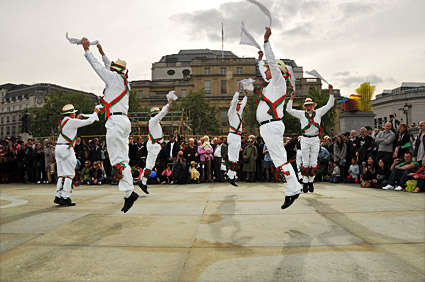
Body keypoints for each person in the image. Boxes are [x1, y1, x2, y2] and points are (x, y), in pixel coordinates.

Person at [82, 39, 138, 213]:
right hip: (123, 121)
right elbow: (107, 66)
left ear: (114, 70)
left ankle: (129, 193)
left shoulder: (113, 79)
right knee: (123, 158)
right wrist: (102, 51)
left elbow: (98, 68)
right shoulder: (122, 81)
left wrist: (87, 50)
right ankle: (129, 192)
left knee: (117, 159)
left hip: (115, 121)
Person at [254, 27, 301, 209]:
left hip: (272, 125)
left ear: (276, 71)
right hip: (268, 126)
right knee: (278, 158)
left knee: (280, 159)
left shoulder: (278, 81)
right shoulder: (270, 86)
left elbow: (272, 63)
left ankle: (292, 190)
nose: (265, 71)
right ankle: (293, 189)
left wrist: (266, 41)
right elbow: (266, 68)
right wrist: (259, 61)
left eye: (267, 69)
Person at [286, 84, 335, 193]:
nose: (309, 107)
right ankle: (305, 182)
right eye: (307, 105)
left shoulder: (319, 112)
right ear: (305, 107)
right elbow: (289, 110)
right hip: (304, 139)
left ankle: (311, 182)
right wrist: (291, 98)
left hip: (314, 139)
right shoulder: (301, 114)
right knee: (305, 162)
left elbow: (330, 104)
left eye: (310, 105)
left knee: (313, 162)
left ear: (313, 106)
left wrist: (330, 92)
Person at [54, 104, 99, 206]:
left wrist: (76, 119)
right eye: (74, 112)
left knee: (61, 173)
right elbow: (89, 121)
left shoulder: (63, 121)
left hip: (59, 147)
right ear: (71, 114)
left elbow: (72, 126)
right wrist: (95, 112)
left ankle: (59, 195)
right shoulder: (71, 121)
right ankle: (65, 197)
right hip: (66, 148)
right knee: (69, 174)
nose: (75, 114)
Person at [139, 99, 174, 193]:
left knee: (150, 164)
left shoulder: (155, 122)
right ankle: (143, 182)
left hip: (156, 145)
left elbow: (161, 114)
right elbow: (161, 114)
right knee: (149, 165)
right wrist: (168, 105)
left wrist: (167, 108)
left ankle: (143, 180)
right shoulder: (153, 121)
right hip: (154, 145)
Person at [226, 82, 248, 186]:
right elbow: (234, 102)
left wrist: (246, 96)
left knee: (236, 157)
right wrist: (237, 92)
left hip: (237, 137)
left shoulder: (239, 114)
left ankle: (232, 176)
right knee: (232, 157)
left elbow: (243, 105)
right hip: (233, 135)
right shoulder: (231, 112)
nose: (239, 106)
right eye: (237, 105)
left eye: (239, 105)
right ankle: (230, 176)